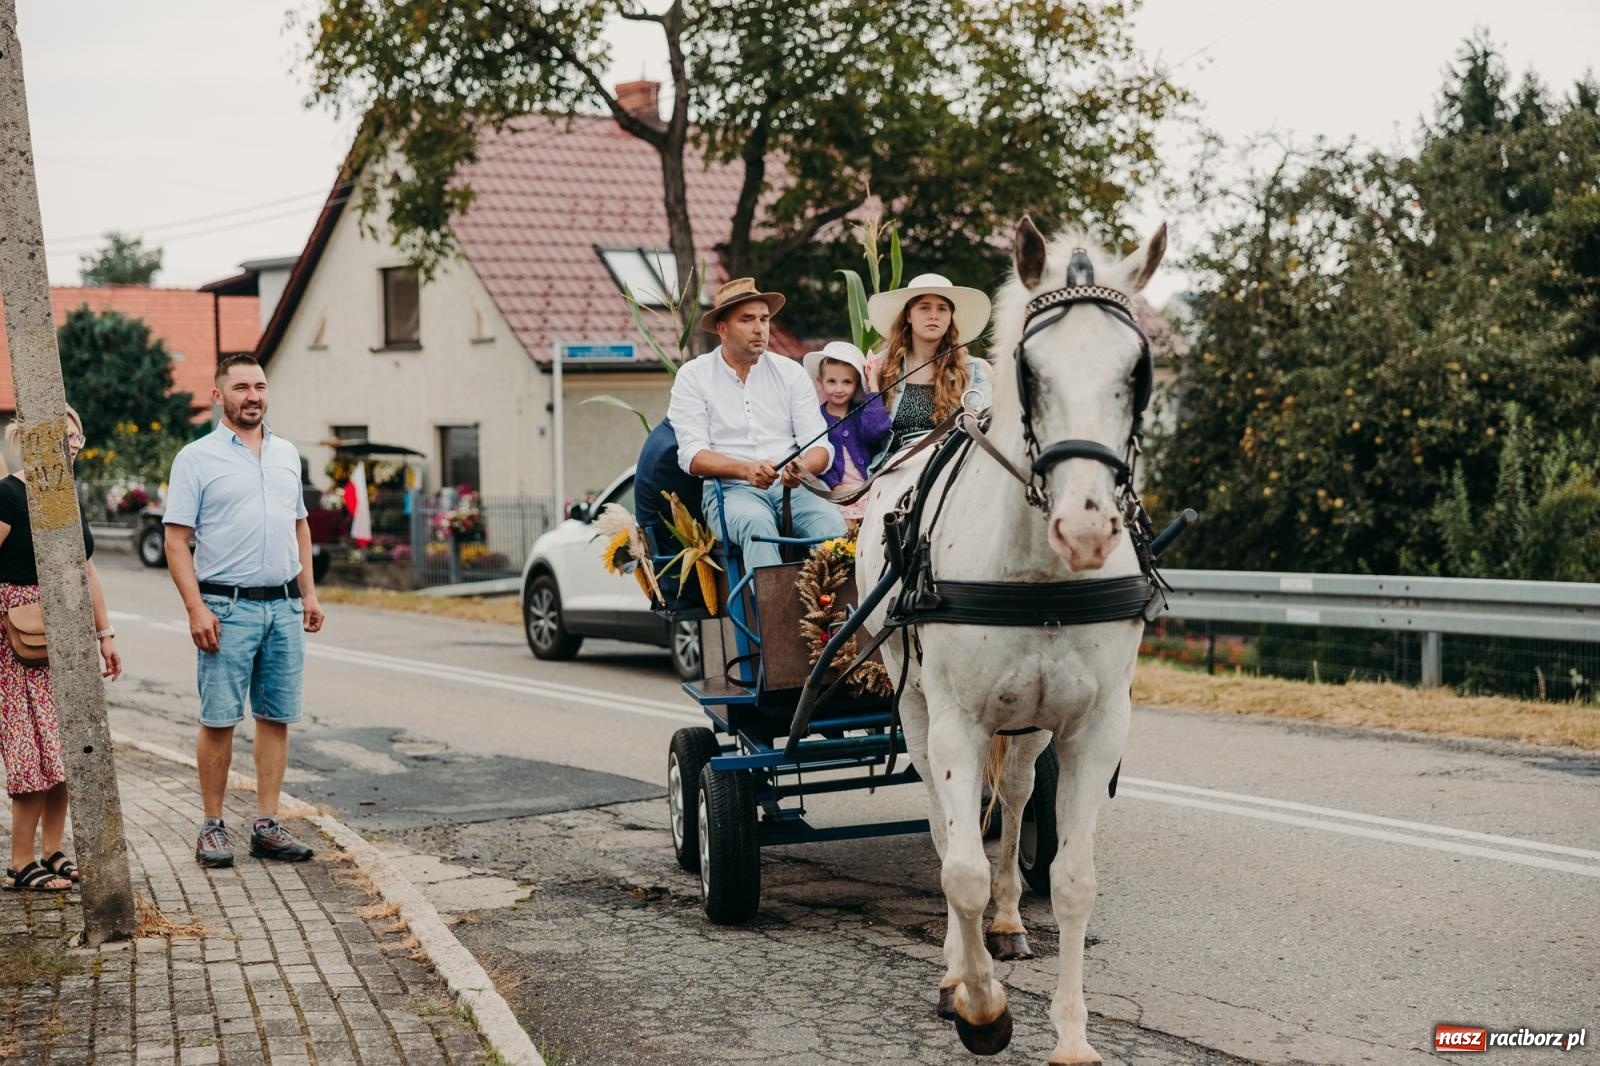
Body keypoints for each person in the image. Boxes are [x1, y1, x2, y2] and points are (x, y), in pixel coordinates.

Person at [163, 354, 325, 869]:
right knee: (219, 720)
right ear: (218, 396)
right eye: (240, 387)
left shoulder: (287, 454)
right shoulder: (196, 458)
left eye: (259, 385)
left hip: (282, 604)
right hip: (224, 607)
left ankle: (266, 824)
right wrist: (195, 609)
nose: (252, 395)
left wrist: (310, 593)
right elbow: (175, 541)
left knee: (276, 717)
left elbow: (299, 525)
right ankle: (212, 826)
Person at [1, 406, 121, 892]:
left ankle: (52, 851)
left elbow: (86, 569)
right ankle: (19, 860)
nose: (73, 444)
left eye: (76, 435)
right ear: (32, 442)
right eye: (62, 437)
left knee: (70, 749)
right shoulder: (7, 494)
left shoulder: (65, 495)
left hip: (67, 634)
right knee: (32, 752)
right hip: (18, 639)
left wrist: (105, 633)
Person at [667, 278, 846, 571]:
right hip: (730, 492)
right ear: (722, 329)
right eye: (747, 320)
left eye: (764, 319)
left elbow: (820, 447)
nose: (759, 328)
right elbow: (692, 455)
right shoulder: (693, 376)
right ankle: (774, 615)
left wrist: (801, 468)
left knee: (831, 525)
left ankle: (839, 614)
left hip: (795, 488)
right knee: (757, 525)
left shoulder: (790, 372)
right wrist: (745, 469)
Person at [867, 273, 993, 455]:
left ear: (950, 318)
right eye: (924, 308)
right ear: (909, 316)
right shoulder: (881, 366)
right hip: (893, 469)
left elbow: (984, 425)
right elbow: (862, 431)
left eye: (942, 309)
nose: (933, 316)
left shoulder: (969, 369)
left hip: (944, 467)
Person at [802, 341, 891, 522]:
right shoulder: (816, 418)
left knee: (875, 521)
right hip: (835, 493)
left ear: (857, 383)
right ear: (820, 381)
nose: (839, 389)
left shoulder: (861, 413)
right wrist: (835, 485)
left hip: (868, 488)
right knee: (845, 527)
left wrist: (873, 387)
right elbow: (816, 455)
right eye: (832, 381)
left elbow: (876, 431)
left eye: (847, 382)